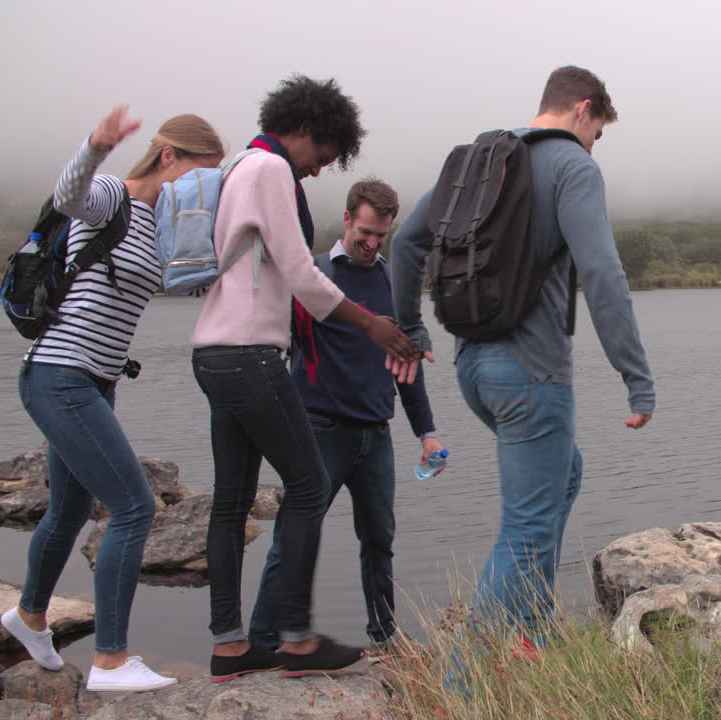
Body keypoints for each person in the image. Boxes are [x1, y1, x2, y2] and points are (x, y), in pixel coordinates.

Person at [392, 66, 655, 642]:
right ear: (583, 108)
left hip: (471, 368)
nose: (594, 147)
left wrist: (411, 328)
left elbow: (405, 243)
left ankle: (531, 632)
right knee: (526, 529)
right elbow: (603, 275)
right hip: (532, 374)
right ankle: (465, 678)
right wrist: (637, 379)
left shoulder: (481, 163)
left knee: (566, 473)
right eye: (597, 133)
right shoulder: (572, 166)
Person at [189, 75, 421, 682]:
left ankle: (230, 646)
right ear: (307, 129)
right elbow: (300, 272)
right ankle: (296, 641)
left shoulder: (237, 165)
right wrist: (371, 324)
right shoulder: (270, 169)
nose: (318, 169)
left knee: (231, 503)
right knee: (311, 488)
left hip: (212, 351)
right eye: (322, 155)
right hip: (250, 353)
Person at [2, 107, 224, 692]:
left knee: (69, 510)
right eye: (200, 172)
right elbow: (67, 194)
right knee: (134, 508)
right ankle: (110, 660)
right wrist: (97, 144)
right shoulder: (111, 196)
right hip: (59, 374)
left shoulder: (163, 223)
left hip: (94, 381)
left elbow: (193, 276)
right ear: (168, 157)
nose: (204, 186)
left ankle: (29, 617)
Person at [248, 178, 444, 653]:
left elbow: (407, 364)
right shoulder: (314, 274)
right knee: (294, 536)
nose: (372, 243)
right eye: (365, 232)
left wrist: (427, 432)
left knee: (379, 541)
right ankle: (264, 639)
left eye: (381, 235)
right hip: (319, 431)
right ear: (347, 219)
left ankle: (385, 635)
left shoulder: (392, 282)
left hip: (376, 436)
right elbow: (273, 344)